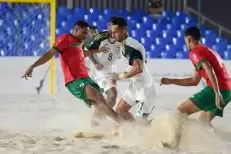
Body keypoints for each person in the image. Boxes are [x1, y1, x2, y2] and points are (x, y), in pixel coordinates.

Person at [21, 20, 123, 126]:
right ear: (76, 29)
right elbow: (50, 54)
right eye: (83, 33)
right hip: (74, 80)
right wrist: (33, 66)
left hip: (85, 78)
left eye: (86, 34)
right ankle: (121, 123)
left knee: (99, 105)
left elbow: (81, 54)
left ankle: (95, 127)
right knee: (99, 98)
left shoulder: (79, 43)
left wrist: (96, 51)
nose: (85, 36)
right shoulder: (64, 38)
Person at [160, 26, 231, 148]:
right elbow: (194, 81)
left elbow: (208, 69)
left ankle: (174, 145)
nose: (185, 44)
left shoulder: (195, 52)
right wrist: (170, 81)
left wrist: (217, 93)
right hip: (228, 90)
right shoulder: (207, 50)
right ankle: (219, 145)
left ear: (188, 39)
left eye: (185, 41)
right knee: (204, 122)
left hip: (216, 90)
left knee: (179, 112)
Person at [109, 17, 157, 125]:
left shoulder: (128, 46)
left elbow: (138, 69)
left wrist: (119, 77)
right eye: (112, 32)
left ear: (124, 30)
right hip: (137, 85)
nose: (113, 35)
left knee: (141, 125)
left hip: (145, 87)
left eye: (115, 32)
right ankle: (133, 129)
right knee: (120, 110)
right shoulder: (127, 43)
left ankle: (166, 123)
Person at [84, 16, 122, 126]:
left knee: (112, 98)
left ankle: (99, 117)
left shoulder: (121, 37)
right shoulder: (101, 37)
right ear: (109, 26)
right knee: (111, 94)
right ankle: (96, 120)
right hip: (99, 69)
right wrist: (95, 63)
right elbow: (86, 50)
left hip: (111, 68)